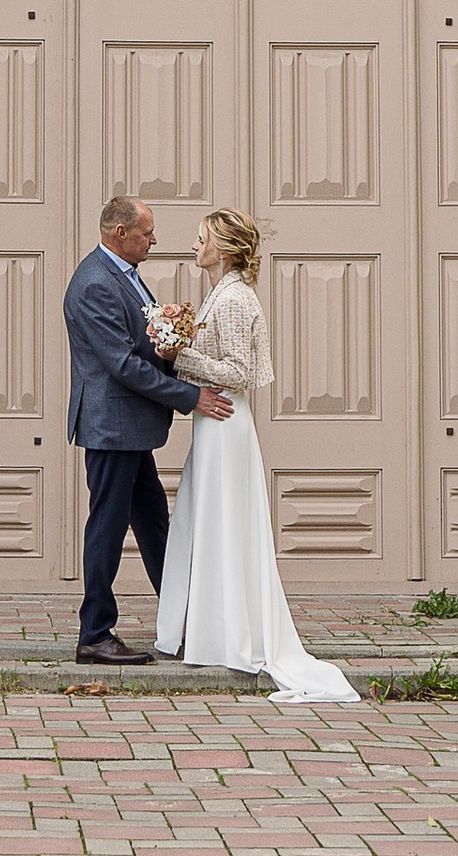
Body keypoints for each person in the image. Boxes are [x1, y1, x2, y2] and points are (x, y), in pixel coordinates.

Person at [153, 209, 360, 704]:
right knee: (207, 522)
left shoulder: (233, 299)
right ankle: (212, 626)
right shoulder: (221, 294)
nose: (193, 247)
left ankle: (225, 633)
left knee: (223, 524)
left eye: (200, 239)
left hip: (225, 420)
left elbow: (240, 371)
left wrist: (175, 354)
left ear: (221, 249)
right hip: (217, 421)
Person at [62, 189, 231, 666]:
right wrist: (191, 396)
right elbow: (121, 364)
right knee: (108, 529)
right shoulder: (94, 282)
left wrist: (170, 340)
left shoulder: (127, 276)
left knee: (156, 526)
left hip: (131, 428)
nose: (154, 240)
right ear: (120, 234)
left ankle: (182, 619)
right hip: (112, 426)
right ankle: (94, 633)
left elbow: (142, 345)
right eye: (146, 233)